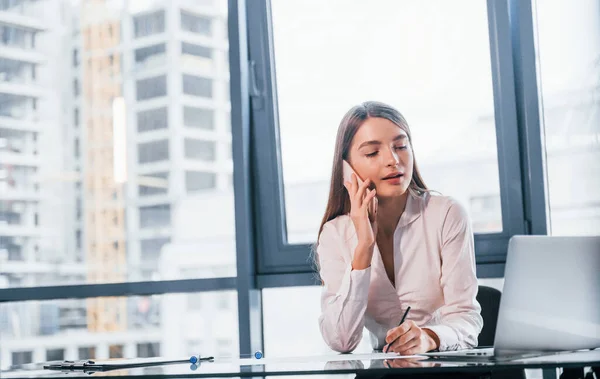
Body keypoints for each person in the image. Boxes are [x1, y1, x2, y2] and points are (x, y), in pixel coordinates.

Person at [315, 101, 483, 354]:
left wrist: (429, 337)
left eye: (401, 146)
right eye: (372, 153)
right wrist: (364, 247)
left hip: (446, 366)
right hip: (383, 371)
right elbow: (341, 341)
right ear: (346, 169)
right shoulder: (335, 234)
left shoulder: (446, 214)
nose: (393, 160)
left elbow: (466, 319)